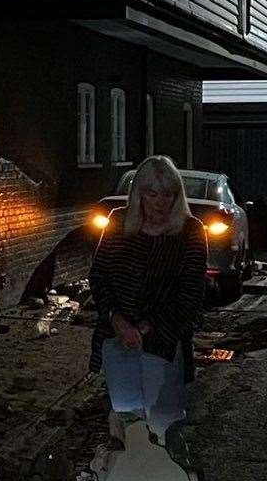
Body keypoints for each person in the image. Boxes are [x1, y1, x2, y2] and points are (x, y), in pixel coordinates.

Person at [88, 155, 208, 449]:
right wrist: (117, 320)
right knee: (128, 423)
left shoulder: (190, 231)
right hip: (118, 340)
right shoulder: (118, 222)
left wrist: (144, 328)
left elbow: (190, 294)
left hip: (163, 341)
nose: (159, 202)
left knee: (165, 424)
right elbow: (99, 275)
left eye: (167, 194)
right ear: (139, 193)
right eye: (151, 193)